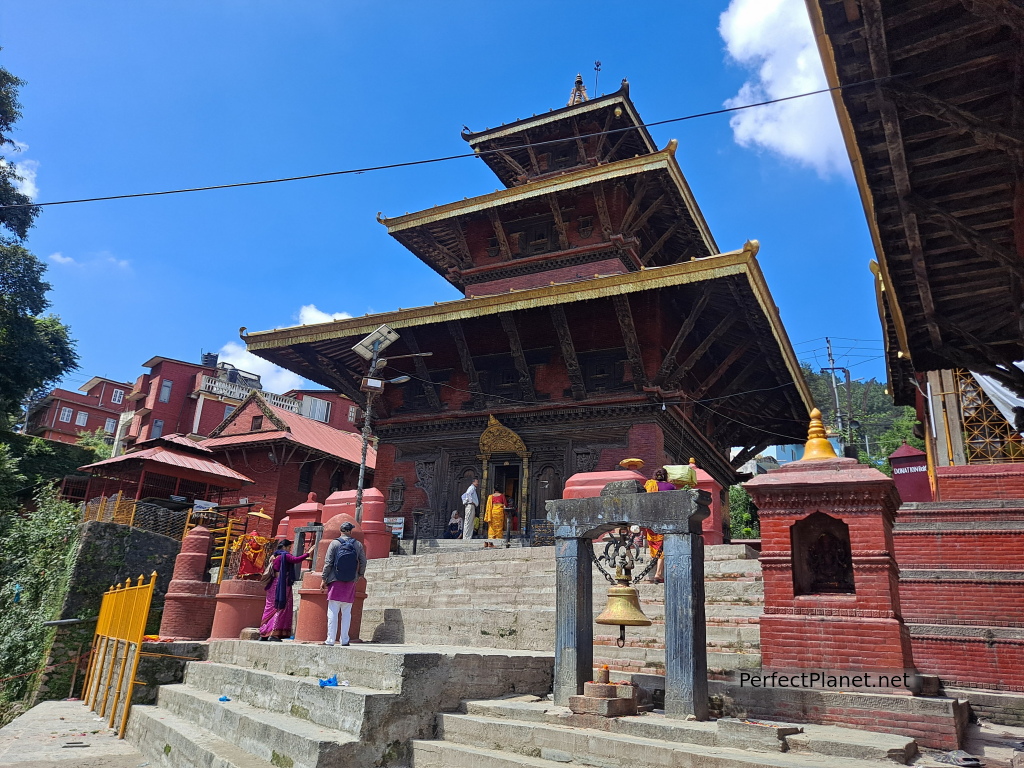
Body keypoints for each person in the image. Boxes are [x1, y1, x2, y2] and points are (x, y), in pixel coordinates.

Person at [320, 522, 367, 647]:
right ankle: (345, 640)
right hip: (350, 581)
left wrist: (324, 578)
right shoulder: (358, 544)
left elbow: (328, 562)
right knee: (347, 612)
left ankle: (330, 640)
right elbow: (363, 561)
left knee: (333, 612)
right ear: (351, 531)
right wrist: (359, 575)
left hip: (335, 580)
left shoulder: (334, 543)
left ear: (340, 531)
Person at [259, 539, 311, 641]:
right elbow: (296, 559)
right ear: (285, 547)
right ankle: (273, 634)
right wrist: (308, 553)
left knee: (270, 608)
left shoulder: (273, 556)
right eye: (289, 548)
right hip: (282, 585)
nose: (289, 550)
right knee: (281, 607)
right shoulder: (285, 556)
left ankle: (264, 633)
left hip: (273, 584)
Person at [641, 468, 674, 584]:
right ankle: (658, 573)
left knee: (654, 544)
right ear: (666, 476)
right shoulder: (671, 487)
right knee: (662, 546)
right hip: (664, 520)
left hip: (651, 520)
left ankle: (656, 570)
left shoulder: (649, 485)